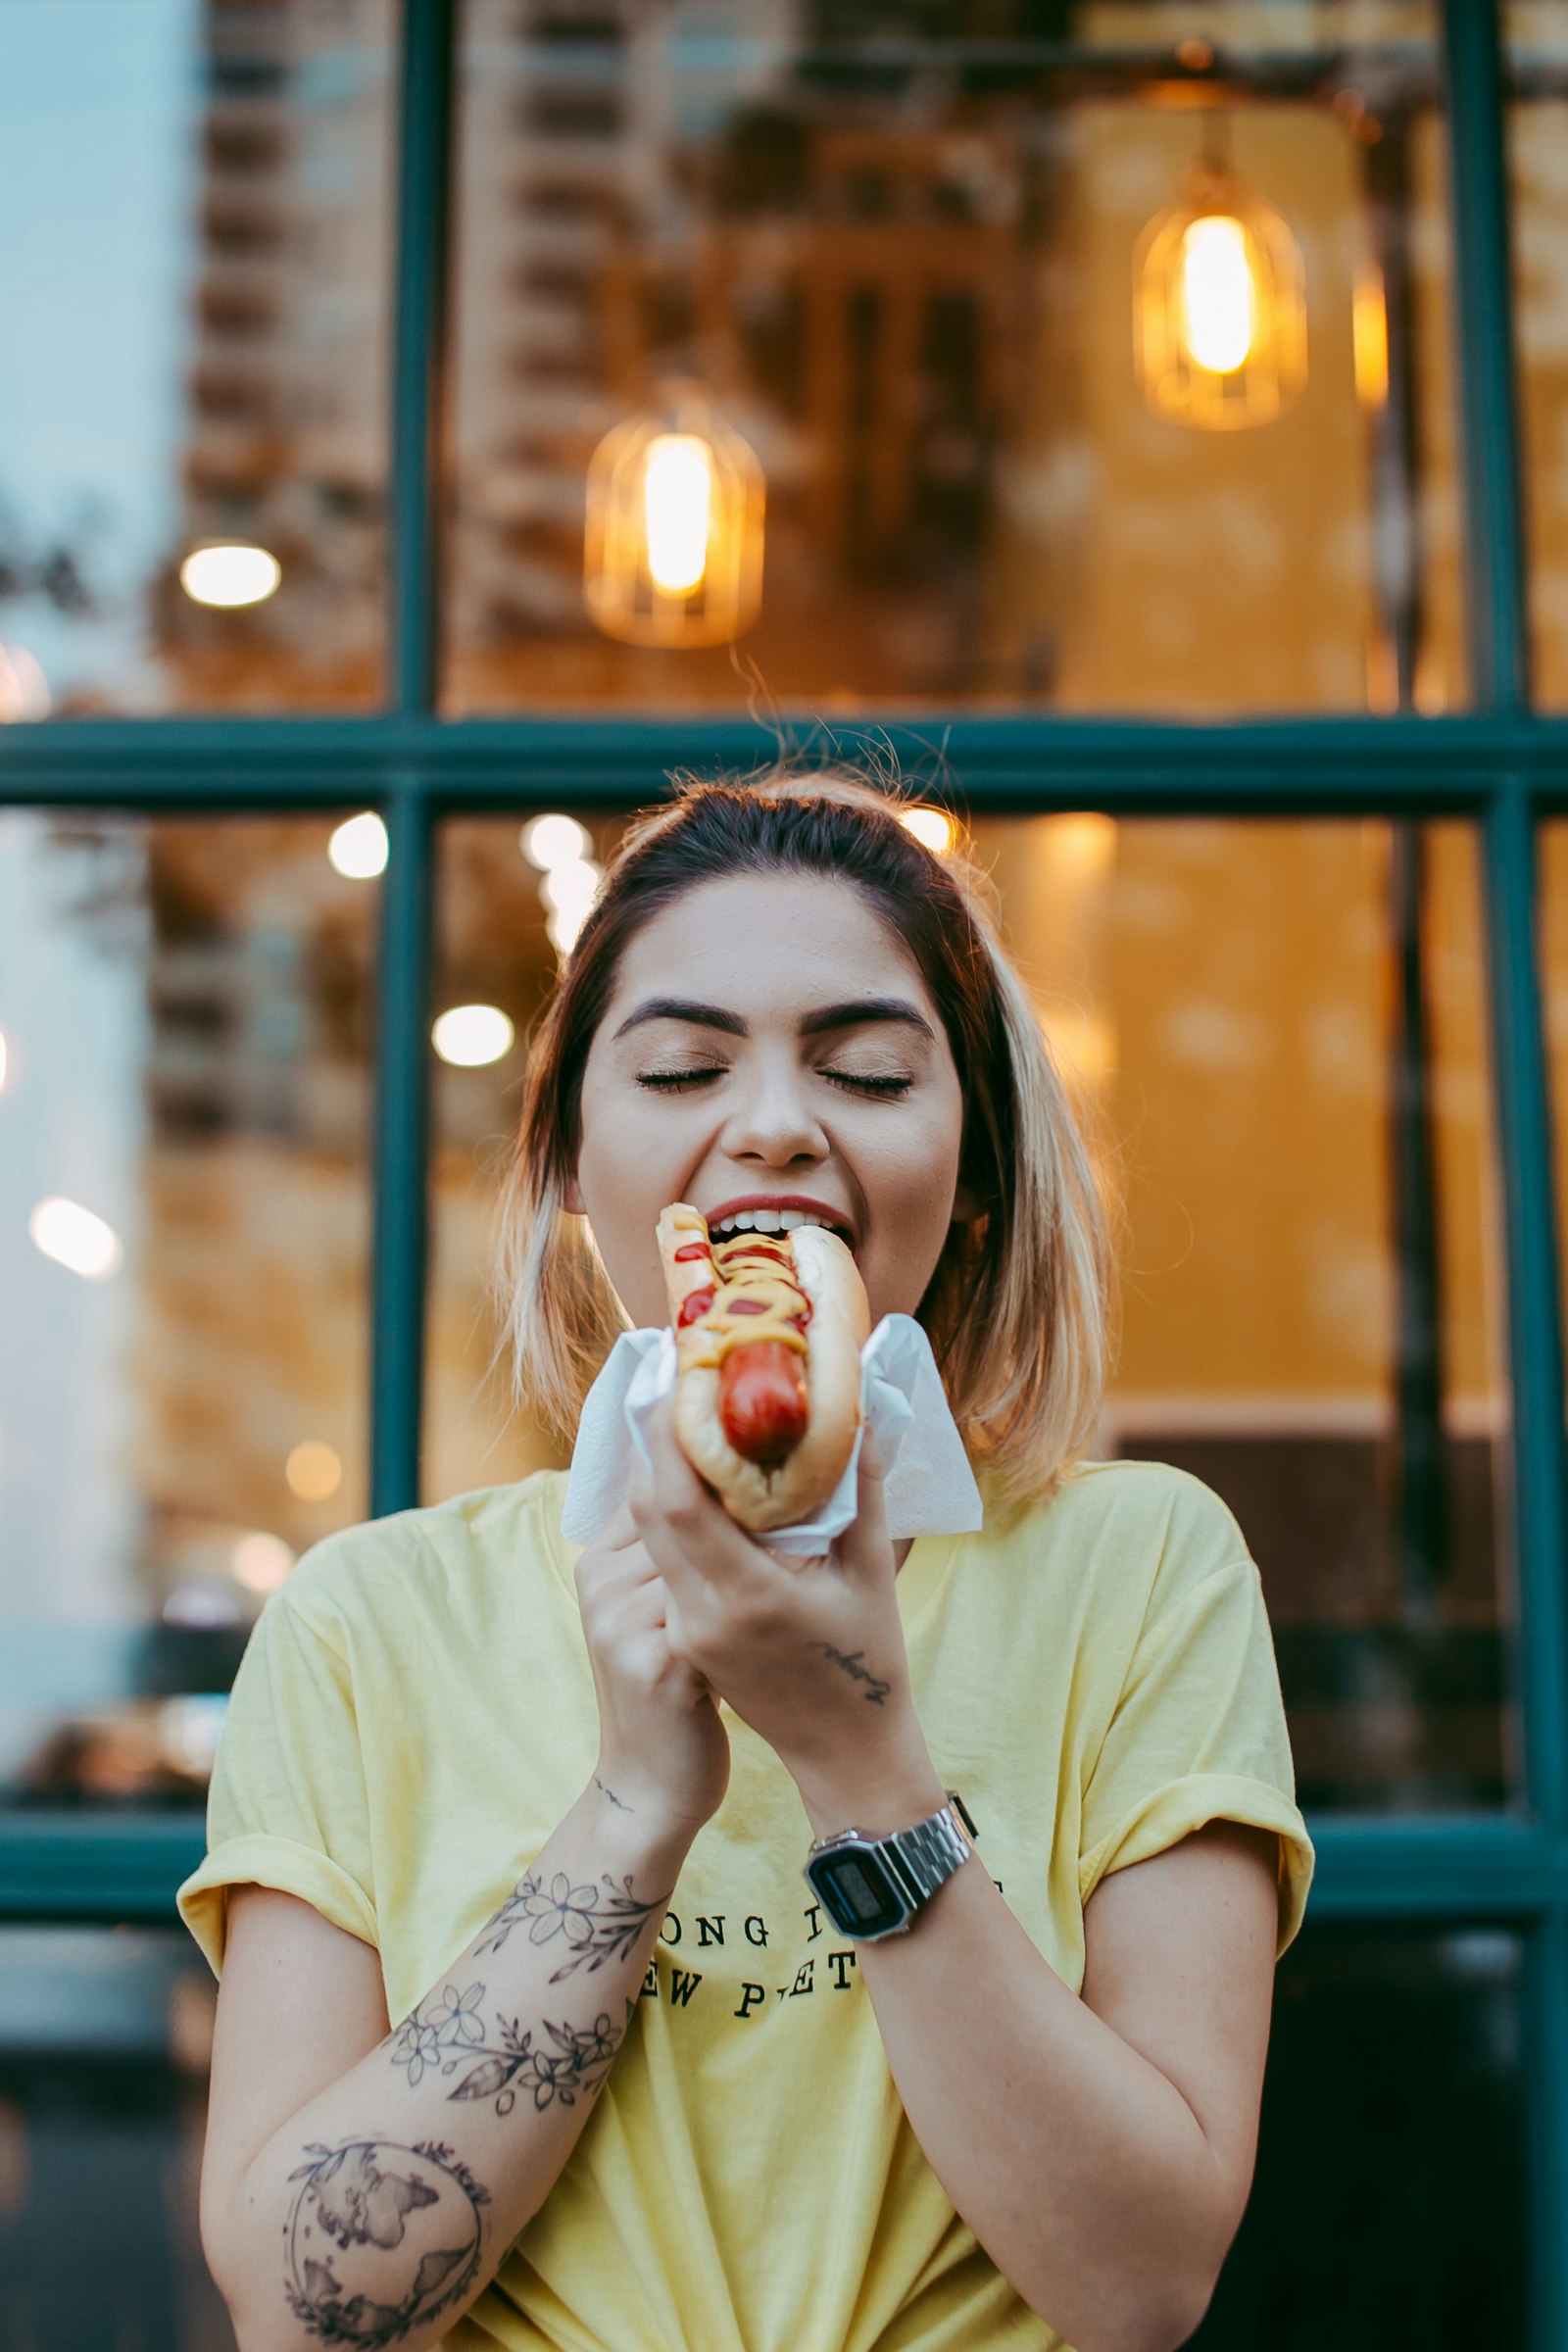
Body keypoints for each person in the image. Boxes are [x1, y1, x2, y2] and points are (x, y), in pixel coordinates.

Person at [178, 770, 1313, 2352]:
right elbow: (313, 2311)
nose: (773, 1123)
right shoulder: (371, 1622)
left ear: (976, 1169)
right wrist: (636, 1803)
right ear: (574, 1161)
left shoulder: (1145, 1571)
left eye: (862, 1068)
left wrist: (862, 1764)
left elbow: (1140, 2289)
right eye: (682, 1066)